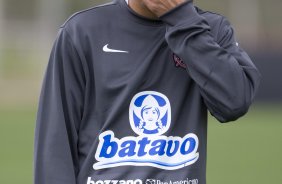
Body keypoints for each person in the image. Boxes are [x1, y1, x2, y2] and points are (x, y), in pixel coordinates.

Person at [34, 0, 261, 184]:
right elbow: (55, 144)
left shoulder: (211, 30)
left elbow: (235, 101)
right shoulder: (82, 31)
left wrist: (183, 21)